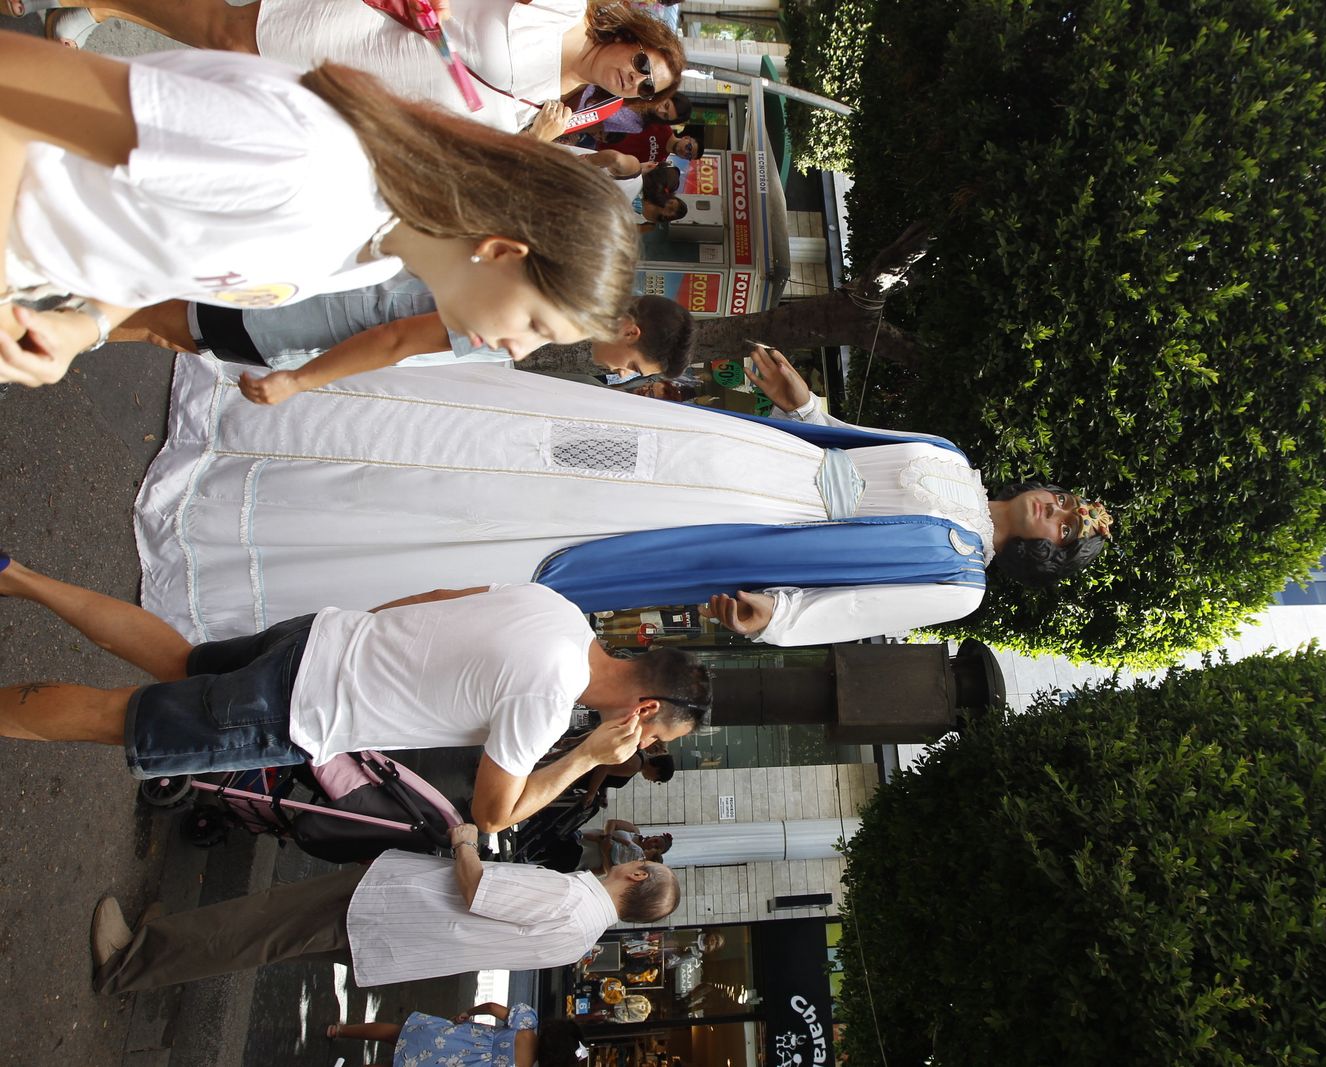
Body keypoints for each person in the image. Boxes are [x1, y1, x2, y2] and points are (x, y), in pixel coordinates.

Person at [136, 344, 1115, 647]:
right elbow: (850, 446)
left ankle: (236, 518)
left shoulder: (958, 584)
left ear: (1047, 553)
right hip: (737, 449)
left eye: (1067, 530)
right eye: (1070, 502)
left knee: (513, 516)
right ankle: (261, 418)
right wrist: (806, 401)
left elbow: (849, 609)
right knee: (540, 434)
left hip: (742, 520)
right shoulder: (952, 454)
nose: (1057, 512)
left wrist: (775, 613)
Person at [0, 37, 636, 389]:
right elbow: (13, 85)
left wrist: (83, 325)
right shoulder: (305, 158)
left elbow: (162, 248)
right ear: (502, 251)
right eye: (536, 325)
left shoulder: (372, 252)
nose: (518, 351)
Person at [0, 554, 711, 831]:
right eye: (652, 737)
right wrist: (586, 757)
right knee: (114, 719)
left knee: (180, 659)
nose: (639, 747)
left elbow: (434, 595)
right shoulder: (548, 700)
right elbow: (493, 815)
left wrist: (361, 643)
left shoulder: (558, 610)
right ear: (643, 709)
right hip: (299, 708)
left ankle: (21, 575)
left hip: (317, 638)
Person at [89, 821, 681, 991]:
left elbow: (477, 889)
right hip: (395, 940)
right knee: (263, 937)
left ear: (635, 873)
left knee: (259, 925)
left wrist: (465, 842)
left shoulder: (572, 897)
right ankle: (162, 943)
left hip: (391, 908)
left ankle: (130, 960)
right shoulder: (582, 939)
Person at [9, 0, 684, 134]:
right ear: (639, 40)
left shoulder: (563, 112)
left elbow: (479, 140)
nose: (639, 80)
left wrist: (534, 144)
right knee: (234, 36)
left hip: (371, 98)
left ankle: (102, 9)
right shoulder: (567, 9)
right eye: (647, 65)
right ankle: (97, 4)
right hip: (374, 29)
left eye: (649, 89)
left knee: (227, 63)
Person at [112, 286, 697, 405]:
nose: (620, 374)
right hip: (317, 314)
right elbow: (398, 339)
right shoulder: (540, 314)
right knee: (167, 319)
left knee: (171, 324)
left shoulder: (570, 288)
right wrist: (299, 381)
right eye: (633, 367)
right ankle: (34, 323)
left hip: (323, 307)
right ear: (630, 333)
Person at [328, 1003, 585, 1067]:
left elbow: (494, 1008)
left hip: (457, 1037)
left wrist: (467, 1013)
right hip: (456, 1064)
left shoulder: (527, 1023)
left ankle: (340, 1030)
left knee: (397, 1033)